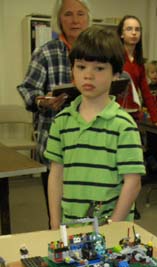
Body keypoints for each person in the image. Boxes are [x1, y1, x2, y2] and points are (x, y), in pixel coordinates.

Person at [44, 26, 145, 229]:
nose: (88, 75)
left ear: (116, 74)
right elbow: (56, 175)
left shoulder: (123, 125)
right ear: (72, 70)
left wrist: (113, 224)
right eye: (81, 67)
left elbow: (133, 182)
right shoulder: (62, 121)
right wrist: (55, 223)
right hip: (70, 226)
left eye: (99, 68)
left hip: (111, 230)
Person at [17, 0, 91, 211]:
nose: (75, 20)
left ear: (88, 17)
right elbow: (28, 90)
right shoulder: (45, 52)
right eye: (68, 14)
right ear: (59, 19)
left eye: (80, 13)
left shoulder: (98, 51)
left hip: (93, 143)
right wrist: (43, 101)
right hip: (56, 143)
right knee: (58, 212)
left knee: (91, 213)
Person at [116, 15, 157, 127]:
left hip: (133, 114)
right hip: (116, 113)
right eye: (129, 29)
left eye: (137, 29)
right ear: (121, 34)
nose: (134, 33)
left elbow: (146, 92)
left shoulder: (139, 63)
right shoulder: (114, 57)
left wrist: (156, 119)